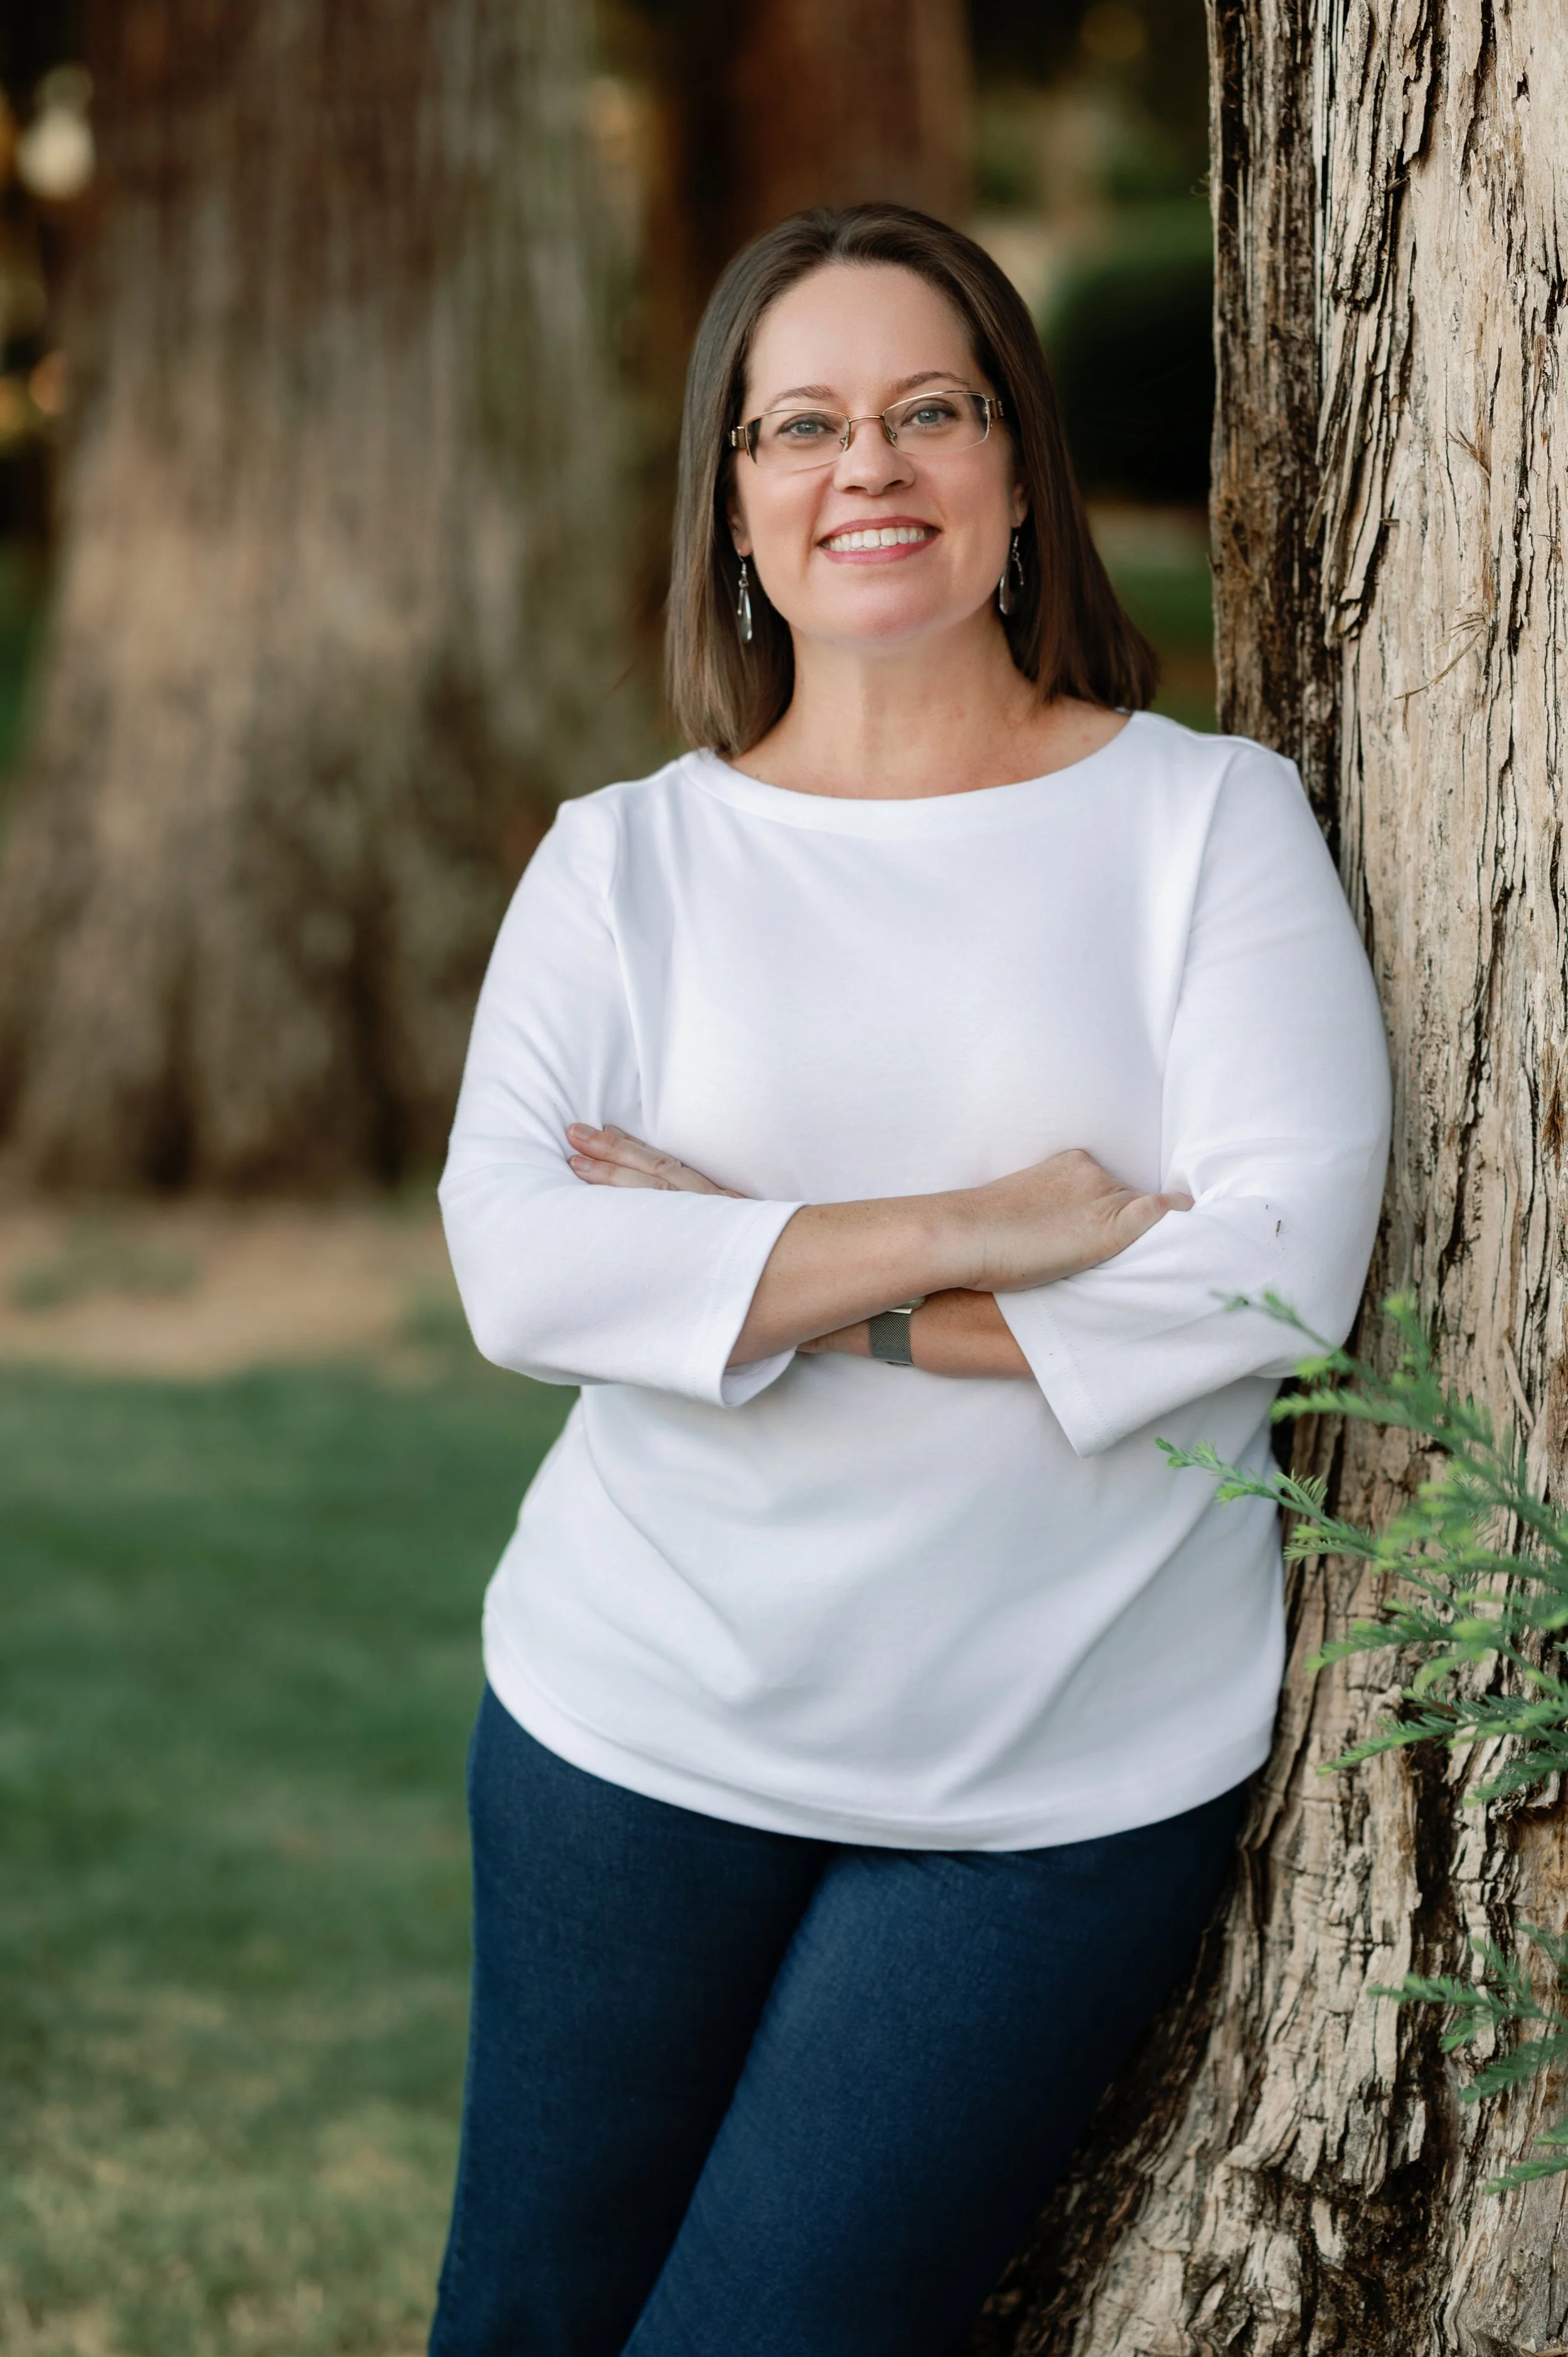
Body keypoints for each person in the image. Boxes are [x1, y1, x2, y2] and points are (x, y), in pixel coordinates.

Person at [429, 203, 1390, 2357]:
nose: (865, 464)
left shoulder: (1208, 825)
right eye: (801, 424)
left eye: (924, 410)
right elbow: (522, 1262)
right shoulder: (626, 860)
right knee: (520, 2324)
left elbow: (1264, 1282)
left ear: (1014, 470)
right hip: (630, 1726)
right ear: (739, 512)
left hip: (1046, 1782)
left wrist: (774, 1281)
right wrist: (987, 1226)